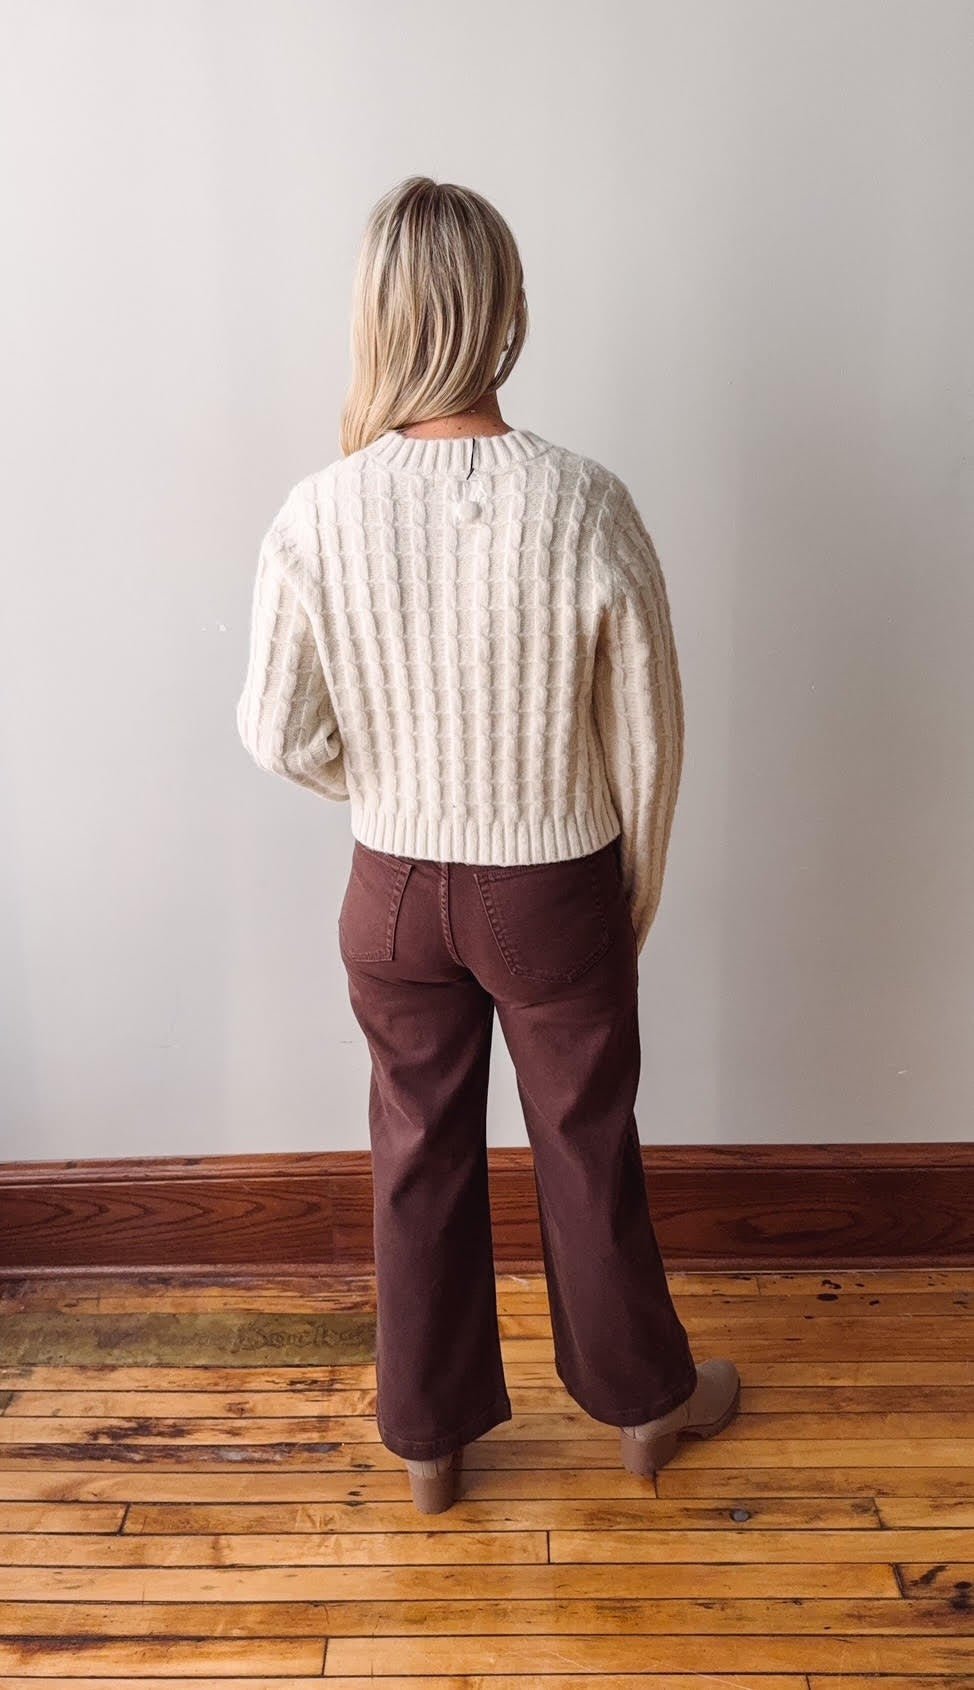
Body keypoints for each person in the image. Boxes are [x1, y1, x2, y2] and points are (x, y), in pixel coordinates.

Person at [235, 174, 740, 1514]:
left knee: (415, 1149)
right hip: (551, 881)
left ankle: (428, 1440)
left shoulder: (317, 511)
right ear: (507, 307)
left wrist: (388, 785)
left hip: (389, 891)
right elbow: (647, 737)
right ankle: (642, 1405)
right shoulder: (581, 501)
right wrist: (622, 897)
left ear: (378, 319)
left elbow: (274, 730)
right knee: (584, 1144)